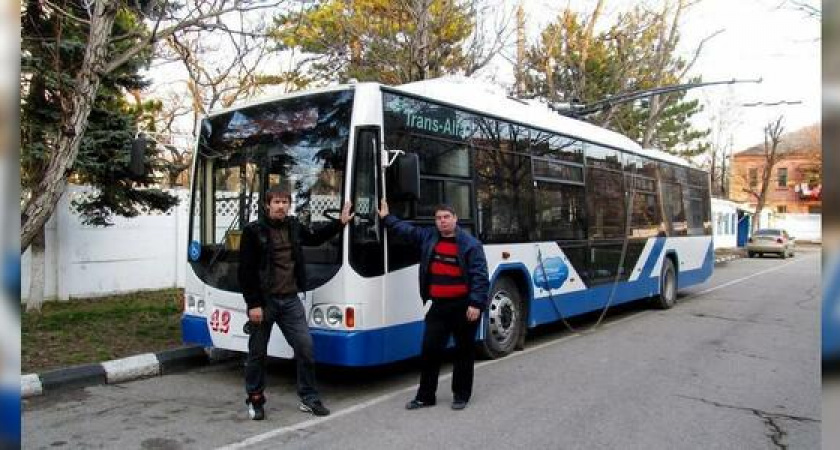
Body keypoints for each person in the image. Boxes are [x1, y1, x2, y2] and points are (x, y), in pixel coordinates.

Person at [238, 187, 353, 421]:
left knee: (305, 348)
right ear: (267, 205)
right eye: (276, 202)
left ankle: (309, 397)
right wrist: (253, 304)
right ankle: (255, 399)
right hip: (265, 302)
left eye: (285, 202)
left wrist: (340, 223)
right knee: (257, 353)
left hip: (290, 300)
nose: (281, 206)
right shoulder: (253, 231)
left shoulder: (293, 226)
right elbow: (246, 271)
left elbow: (314, 238)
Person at [377, 199, 490, 410]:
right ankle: (425, 396)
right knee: (430, 350)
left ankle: (461, 395)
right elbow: (408, 231)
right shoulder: (429, 237)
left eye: (446, 217)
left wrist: (476, 304)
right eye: (438, 218)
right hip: (438, 306)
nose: (442, 221)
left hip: (464, 306)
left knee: (463, 352)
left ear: (455, 219)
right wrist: (387, 218)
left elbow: (480, 277)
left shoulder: (471, 244)